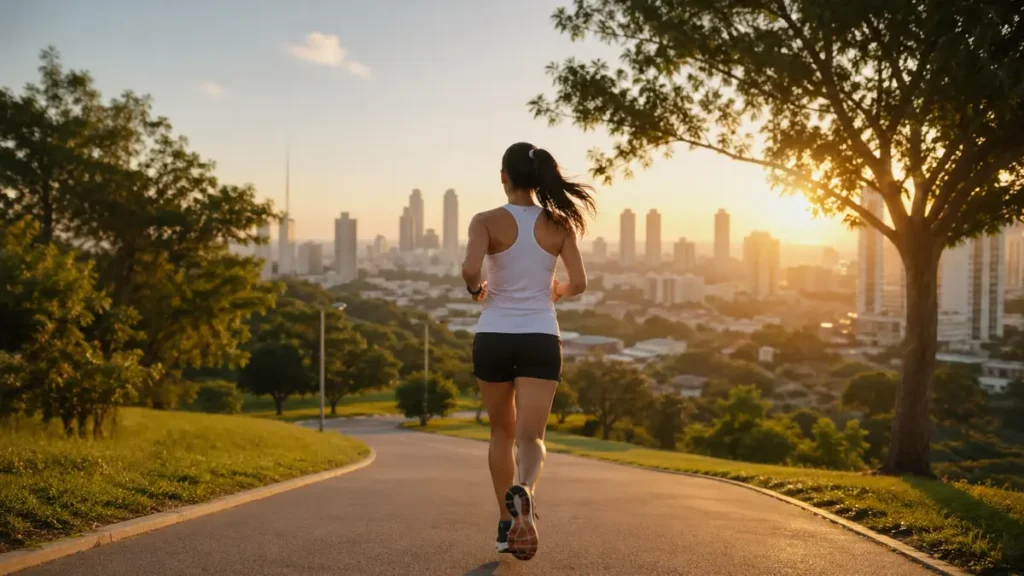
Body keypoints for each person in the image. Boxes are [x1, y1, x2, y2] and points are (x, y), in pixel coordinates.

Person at [461, 142, 594, 561]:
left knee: (501, 433)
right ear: (539, 180)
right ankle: (528, 493)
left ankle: (506, 522)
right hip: (540, 335)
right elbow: (581, 282)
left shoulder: (485, 221)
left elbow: (469, 268)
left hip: (495, 335)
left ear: (504, 176)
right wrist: (558, 289)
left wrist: (475, 289)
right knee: (531, 436)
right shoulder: (558, 224)